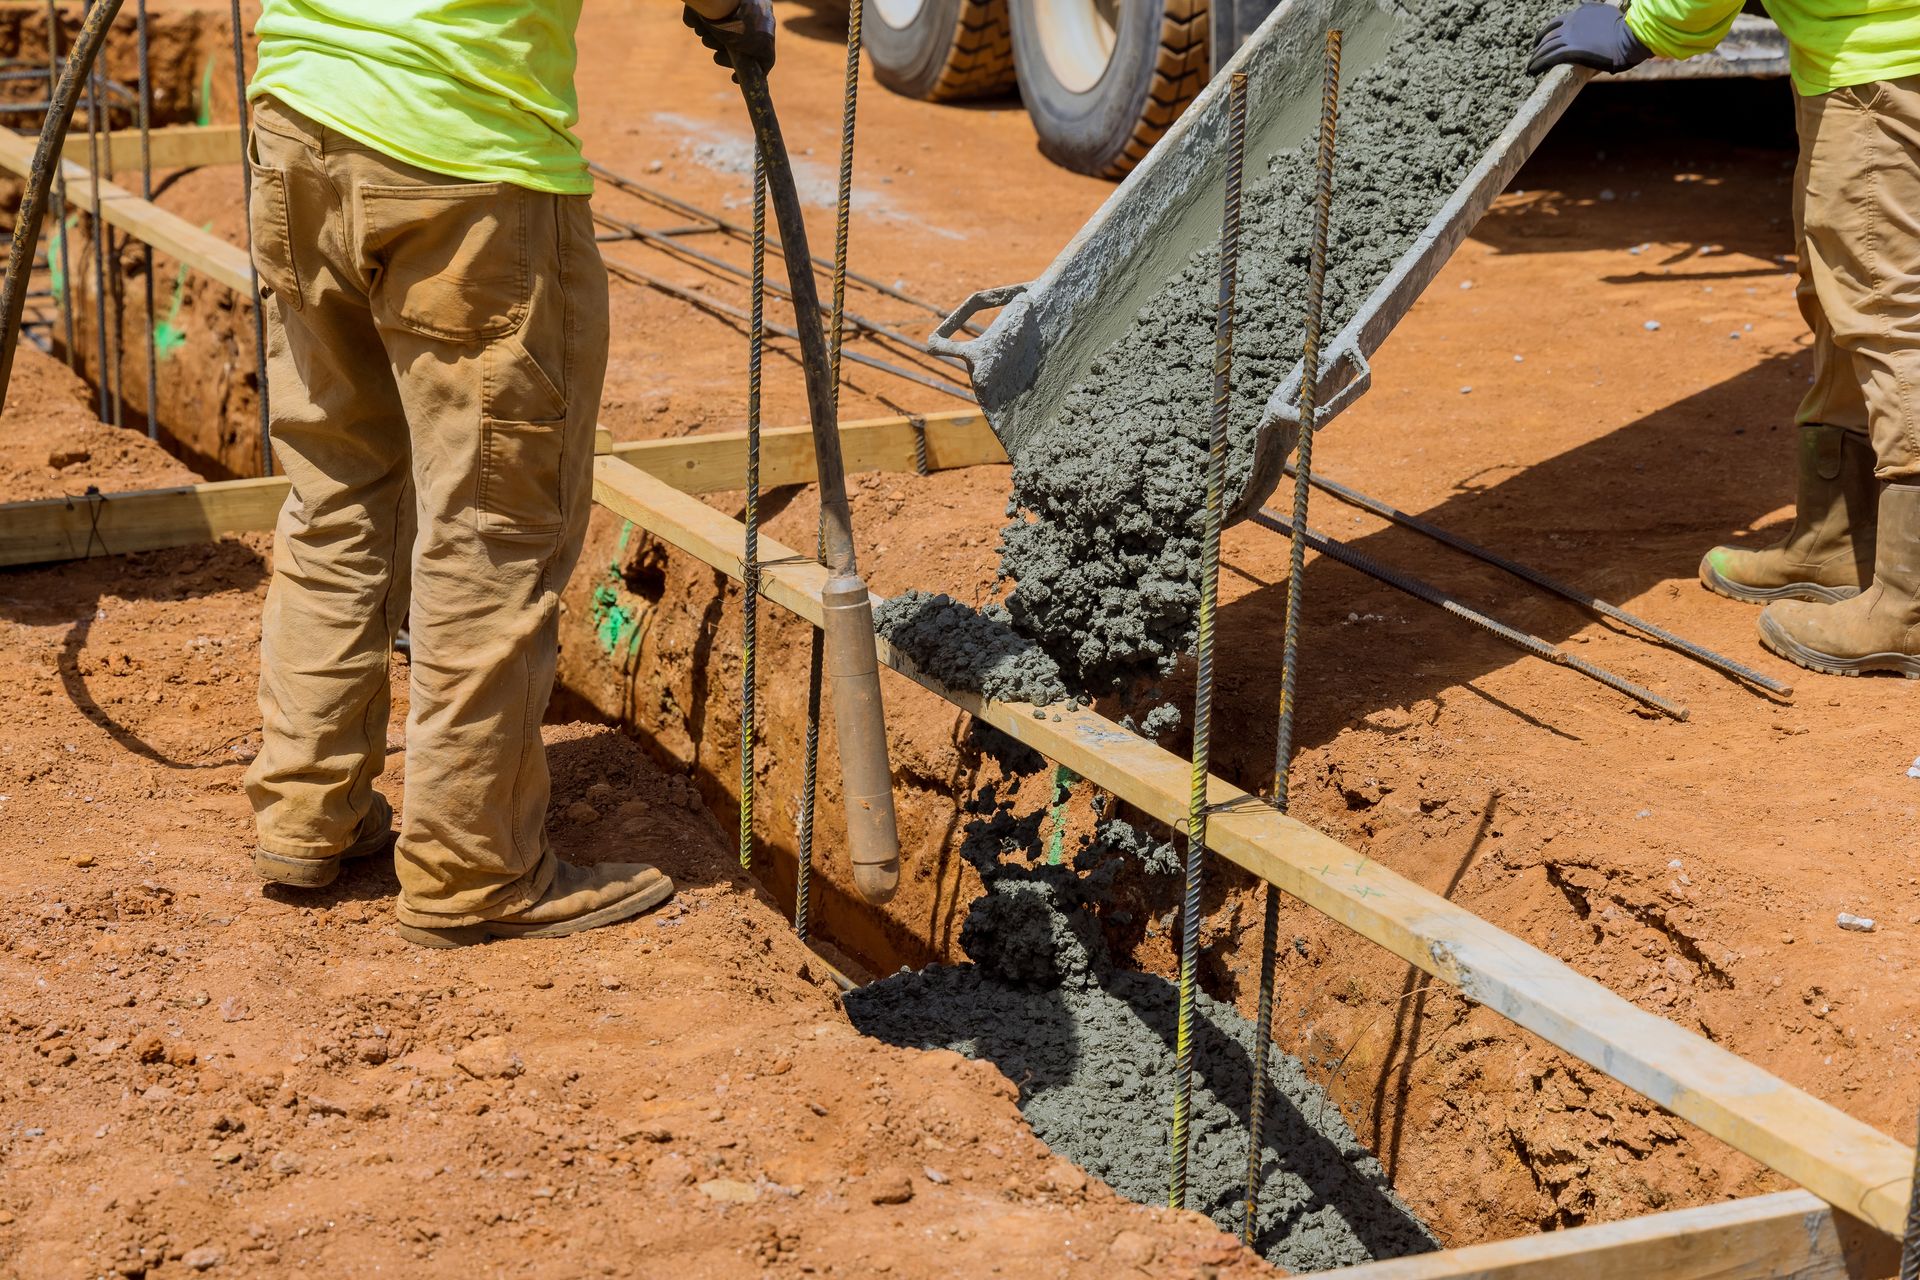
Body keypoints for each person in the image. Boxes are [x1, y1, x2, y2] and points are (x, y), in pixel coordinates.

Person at [240, 0, 775, 947]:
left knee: (336, 488)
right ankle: (471, 868)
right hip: (462, 161)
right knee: (491, 524)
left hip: (298, 121)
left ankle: (306, 810)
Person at [1529, 0, 1920, 677]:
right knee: (1842, 300)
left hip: (1882, 70)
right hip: (1869, 59)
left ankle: (1909, 605)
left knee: (1891, 325)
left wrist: (1644, 28)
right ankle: (1835, 541)